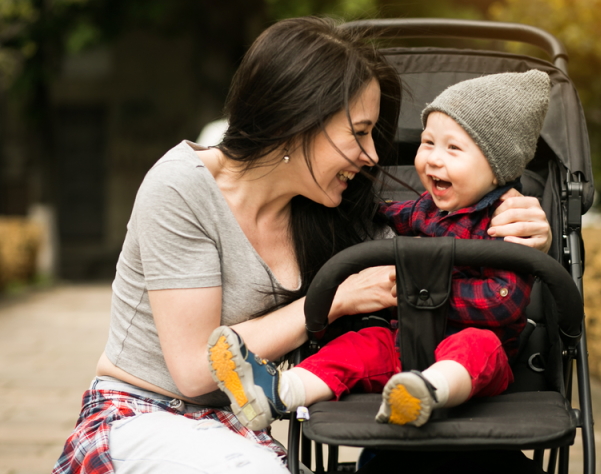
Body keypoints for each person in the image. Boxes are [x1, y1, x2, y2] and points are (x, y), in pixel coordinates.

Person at [53, 16, 553, 474]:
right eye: (359, 133)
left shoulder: (330, 206)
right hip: (141, 416)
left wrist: (526, 233)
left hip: (238, 429)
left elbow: (437, 252)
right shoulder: (182, 188)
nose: (372, 155)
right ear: (300, 118)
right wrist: (332, 300)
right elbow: (192, 372)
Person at [207, 69, 551, 431]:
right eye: (427, 143)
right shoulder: (425, 209)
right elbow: (384, 213)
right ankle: (279, 392)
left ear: (498, 169)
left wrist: (418, 295)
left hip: (473, 354)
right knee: (360, 345)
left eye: (453, 148)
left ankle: (427, 392)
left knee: (477, 347)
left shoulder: (507, 224)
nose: (433, 158)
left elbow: (502, 301)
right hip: (404, 341)